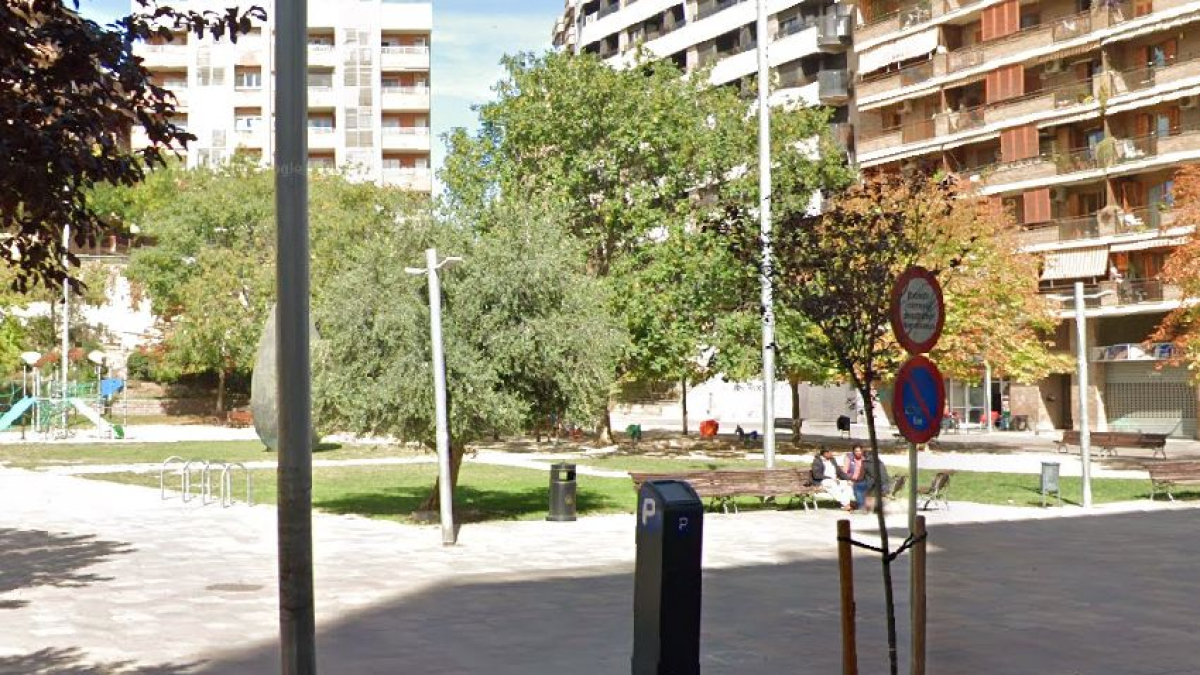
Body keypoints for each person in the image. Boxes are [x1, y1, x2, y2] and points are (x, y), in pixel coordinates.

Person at [843, 445, 868, 510]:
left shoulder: (865, 458)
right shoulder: (849, 458)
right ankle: (861, 506)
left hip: (863, 480)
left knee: (861, 486)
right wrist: (848, 480)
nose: (858, 452)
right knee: (857, 488)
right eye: (856, 451)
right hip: (852, 479)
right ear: (853, 452)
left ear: (862, 451)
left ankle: (862, 505)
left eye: (860, 451)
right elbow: (845, 471)